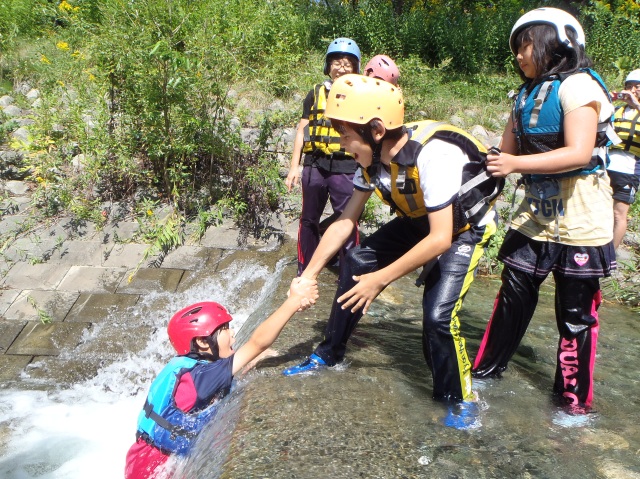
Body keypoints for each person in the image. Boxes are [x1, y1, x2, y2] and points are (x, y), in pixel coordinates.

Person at [282, 73, 499, 416]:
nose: (341, 144)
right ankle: (329, 352)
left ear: (377, 131)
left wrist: (380, 279)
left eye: (346, 134)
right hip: (420, 220)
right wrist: (307, 275)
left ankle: (459, 400)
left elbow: (441, 238)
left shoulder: (432, 155)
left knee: (438, 317)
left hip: (463, 230)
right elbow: (344, 222)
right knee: (355, 261)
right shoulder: (370, 161)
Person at [471, 8, 617, 414]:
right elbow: (506, 154)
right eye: (516, 48)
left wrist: (514, 165)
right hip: (535, 216)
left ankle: (572, 405)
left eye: (527, 46)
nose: (519, 56)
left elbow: (579, 152)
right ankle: (485, 374)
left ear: (559, 45)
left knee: (574, 316)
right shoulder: (524, 96)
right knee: (513, 297)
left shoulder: (579, 87)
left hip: (582, 219)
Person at [124, 278, 318, 479]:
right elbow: (257, 343)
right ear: (201, 342)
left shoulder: (187, 367)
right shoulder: (202, 377)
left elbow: (228, 372)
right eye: (225, 329)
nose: (232, 333)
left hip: (140, 458)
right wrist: (293, 302)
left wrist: (252, 359)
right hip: (157, 468)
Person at [286, 37, 361, 275]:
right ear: (328, 66)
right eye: (336, 61)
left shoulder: (361, 94)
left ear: (356, 68)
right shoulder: (315, 93)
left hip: (345, 165)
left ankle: (348, 270)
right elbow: (302, 130)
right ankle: (304, 268)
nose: (341, 66)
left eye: (348, 62)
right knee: (308, 219)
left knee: (346, 218)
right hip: (315, 165)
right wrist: (293, 167)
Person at [607, 69, 640, 249]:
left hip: (629, 168)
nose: (632, 90)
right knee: (601, 211)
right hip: (606, 165)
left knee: (619, 214)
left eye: (637, 87)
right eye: (629, 86)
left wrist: (636, 105)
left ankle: (610, 255)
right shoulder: (617, 110)